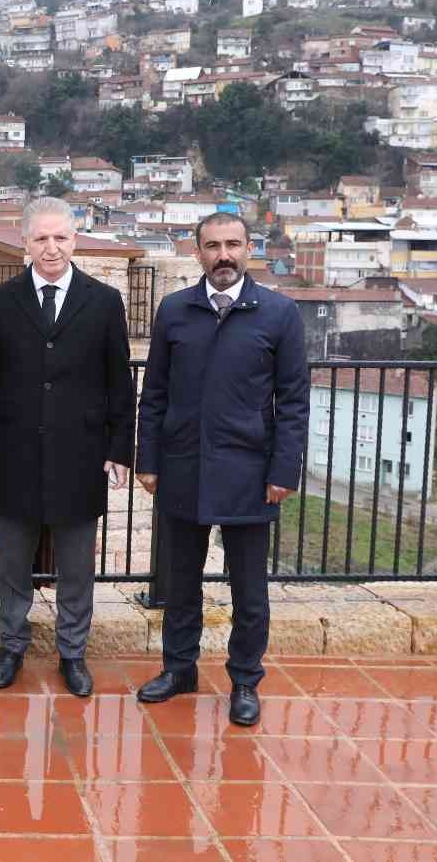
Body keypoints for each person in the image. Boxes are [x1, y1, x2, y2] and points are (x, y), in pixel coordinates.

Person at [134, 213, 308, 726]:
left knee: (249, 590)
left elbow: (293, 402)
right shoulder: (174, 311)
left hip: (249, 473)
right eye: (213, 246)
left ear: (249, 248)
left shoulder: (279, 314)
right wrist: (148, 460)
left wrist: (284, 471)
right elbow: (155, 395)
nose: (223, 255)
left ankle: (246, 680)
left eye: (233, 245)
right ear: (198, 253)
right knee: (181, 583)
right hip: (183, 466)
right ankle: (179, 669)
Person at [0, 197, 134, 697]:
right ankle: (11, 647)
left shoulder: (105, 302)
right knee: (14, 566)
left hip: (81, 455)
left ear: (75, 239)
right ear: (25, 243)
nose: (51, 247)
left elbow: (118, 385)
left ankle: (72, 652)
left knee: (77, 567)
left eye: (60, 237)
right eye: (40, 238)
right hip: (16, 452)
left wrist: (119, 449)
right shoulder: (0, 302)